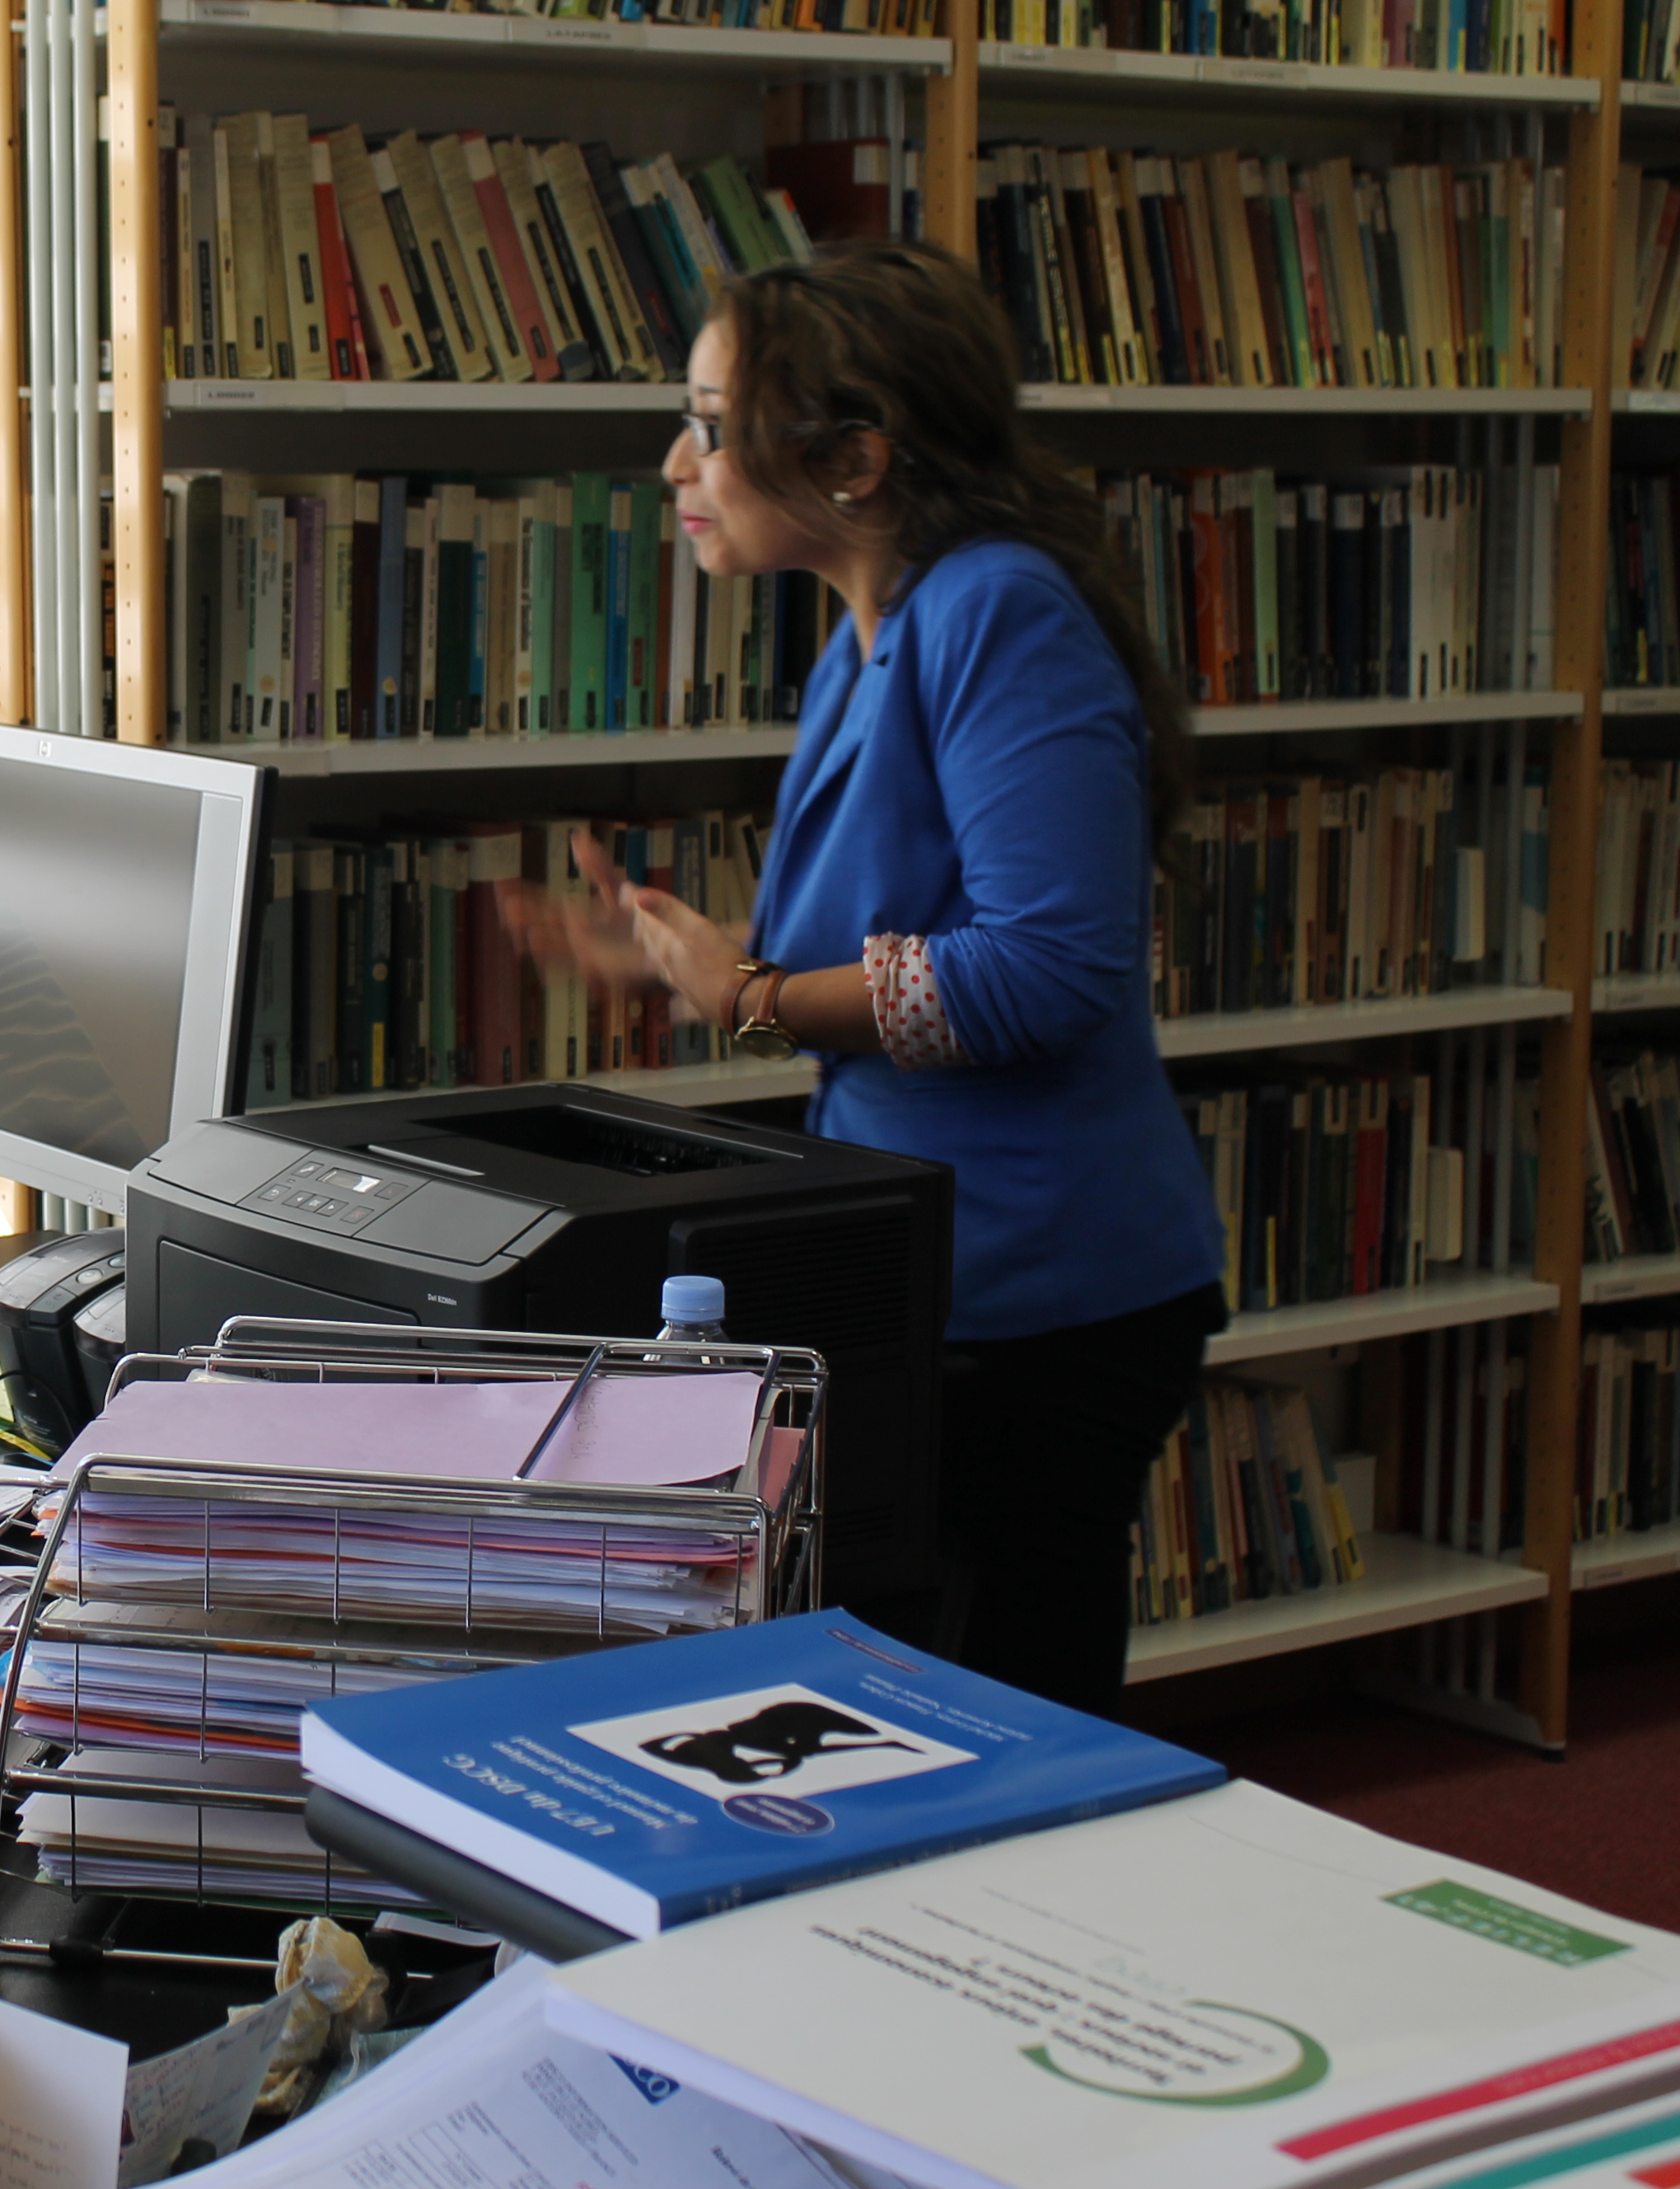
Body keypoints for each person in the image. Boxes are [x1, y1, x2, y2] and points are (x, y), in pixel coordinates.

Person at [500, 240, 1228, 1715]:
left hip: (1051, 1295)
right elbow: (883, 945)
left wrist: (751, 994)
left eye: (710, 423)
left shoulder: (994, 611)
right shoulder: (868, 627)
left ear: (851, 460)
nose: (673, 460)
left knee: (1015, 1715)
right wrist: (667, 957)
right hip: (935, 1266)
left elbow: (1045, 970)